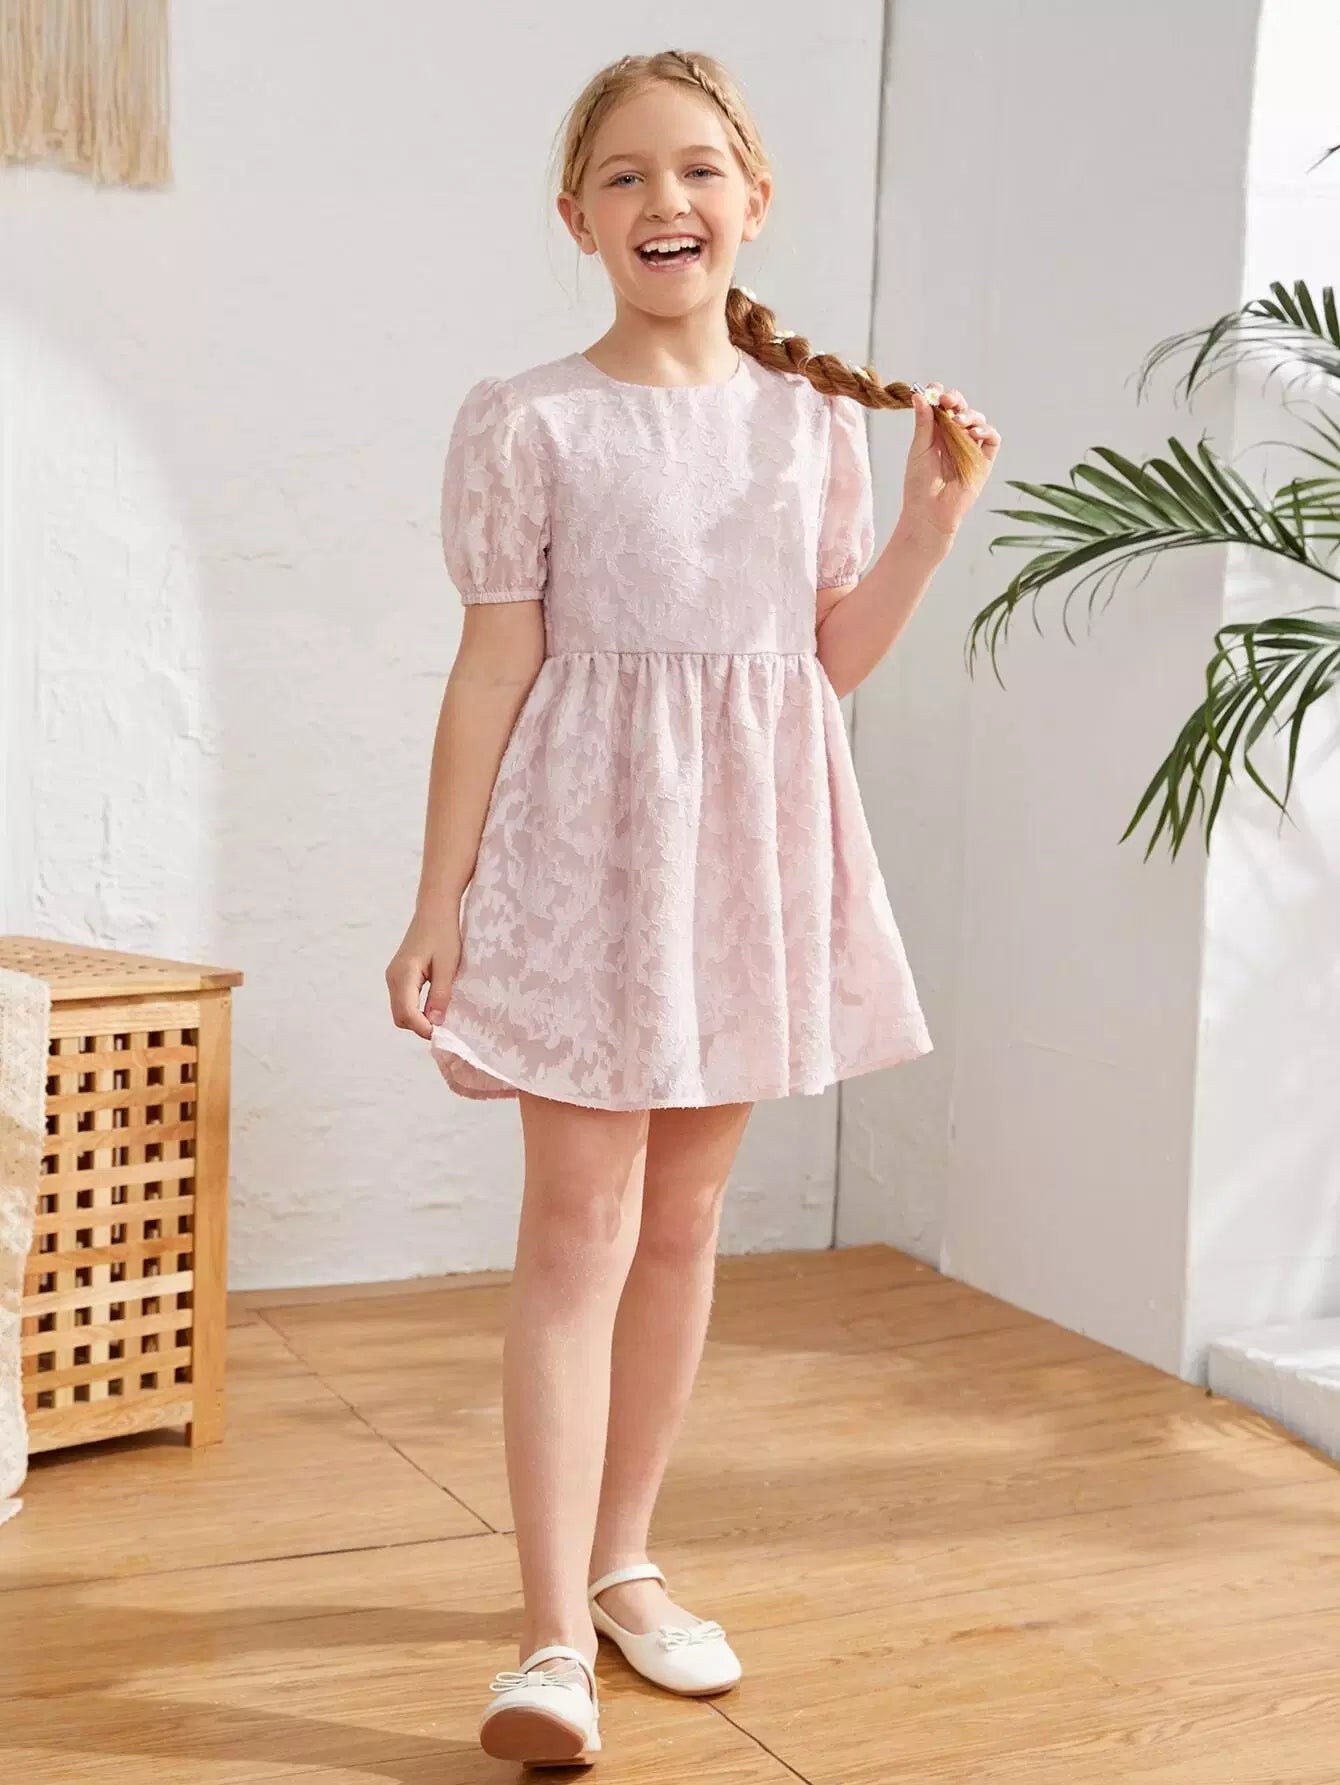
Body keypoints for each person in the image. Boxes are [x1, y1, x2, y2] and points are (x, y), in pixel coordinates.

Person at [385, 46, 1000, 1769]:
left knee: (683, 1225)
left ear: (755, 199)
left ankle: (625, 1561)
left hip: (739, 864)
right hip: (584, 868)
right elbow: (491, 669)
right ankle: (545, 1639)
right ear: (575, 216)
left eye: (700, 168)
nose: (667, 199)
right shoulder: (530, 419)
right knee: (577, 1229)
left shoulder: (810, 428)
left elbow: (822, 665)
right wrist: (438, 899)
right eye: (627, 175)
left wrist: (931, 526)